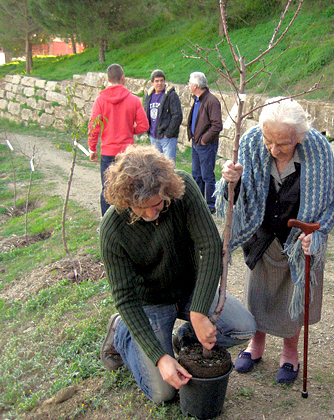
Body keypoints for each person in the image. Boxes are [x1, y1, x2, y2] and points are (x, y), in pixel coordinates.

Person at [98, 145, 256, 403]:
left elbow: (210, 246)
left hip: (189, 289)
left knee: (243, 328)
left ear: (166, 190)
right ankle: (123, 334)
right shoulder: (113, 229)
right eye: (141, 208)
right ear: (127, 200)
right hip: (150, 303)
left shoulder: (183, 190)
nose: (151, 213)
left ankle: (183, 339)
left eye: (157, 203)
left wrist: (199, 311)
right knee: (164, 392)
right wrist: (159, 358)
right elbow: (126, 298)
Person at [217, 98, 334, 384]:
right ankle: (255, 345)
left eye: (283, 143)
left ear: (299, 136)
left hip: (300, 240)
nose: (273, 149)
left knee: (293, 300)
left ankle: (290, 353)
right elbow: (232, 198)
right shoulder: (250, 144)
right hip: (262, 235)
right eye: (268, 140)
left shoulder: (319, 150)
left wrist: (318, 234)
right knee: (258, 295)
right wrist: (231, 181)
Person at [88, 63, 149, 216]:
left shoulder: (100, 101)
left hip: (108, 151)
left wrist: (92, 148)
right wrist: (130, 129)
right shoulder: (133, 100)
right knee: (129, 187)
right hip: (127, 152)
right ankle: (131, 218)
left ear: (108, 79)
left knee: (107, 189)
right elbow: (144, 125)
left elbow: (94, 127)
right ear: (123, 78)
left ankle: (107, 222)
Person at [187, 71, 222, 214]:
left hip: (206, 145)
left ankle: (211, 205)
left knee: (207, 176)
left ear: (195, 85)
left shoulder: (211, 101)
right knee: (196, 174)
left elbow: (217, 125)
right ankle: (199, 202)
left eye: (190, 82)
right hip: (196, 144)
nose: (188, 85)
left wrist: (203, 140)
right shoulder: (197, 99)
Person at [143, 69, 183, 161]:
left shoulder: (171, 95)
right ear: (152, 83)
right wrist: (148, 131)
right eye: (157, 81)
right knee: (157, 166)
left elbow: (177, 116)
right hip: (153, 137)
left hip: (167, 138)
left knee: (169, 166)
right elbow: (146, 113)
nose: (160, 83)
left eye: (162, 80)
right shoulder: (149, 96)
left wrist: (168, 133)